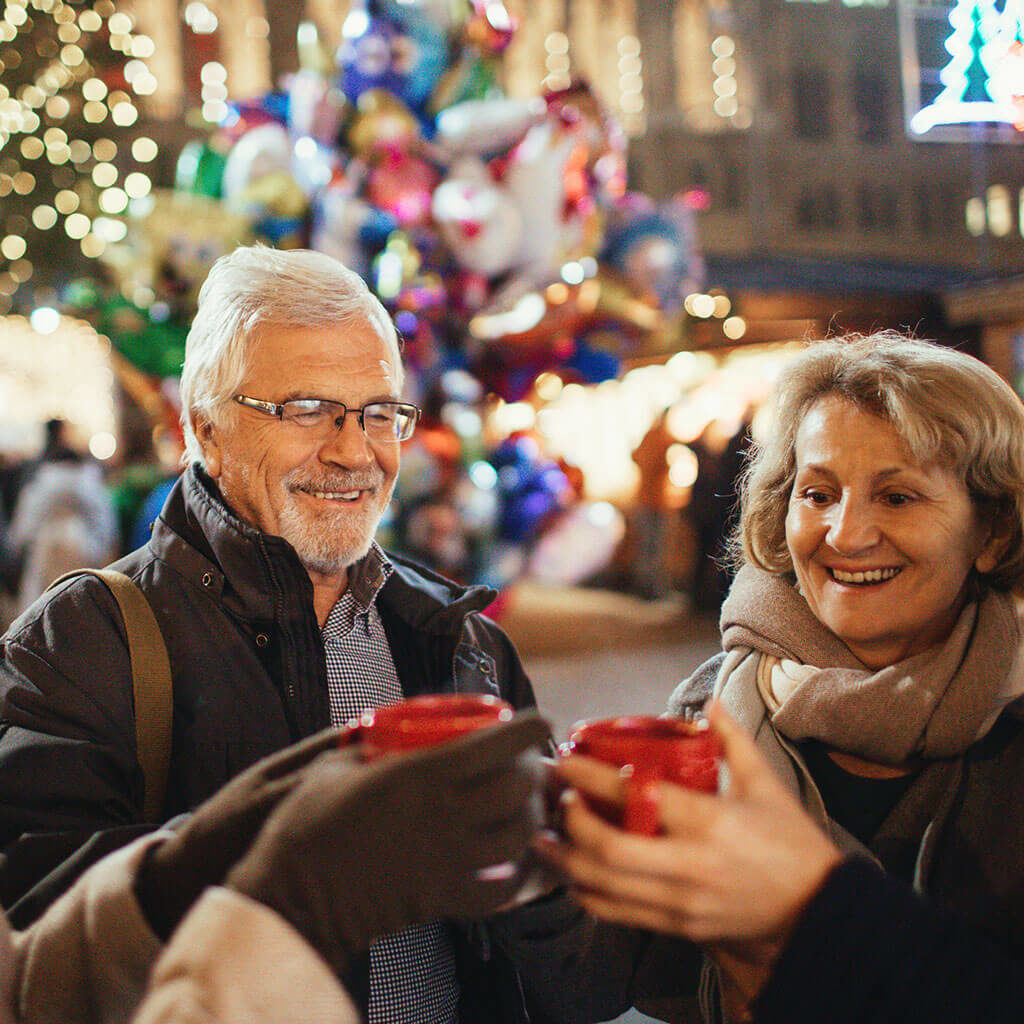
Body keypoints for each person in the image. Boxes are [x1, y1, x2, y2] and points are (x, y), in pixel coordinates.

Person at [0, 246, 636, 1024]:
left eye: (378, 412)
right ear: (205, 426)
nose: (353, 450)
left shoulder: (463, 640)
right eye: (305, 409)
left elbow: (585, 988)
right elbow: (38, 954)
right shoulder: (80, 642)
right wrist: (299, 857)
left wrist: (549, 872)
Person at [545, 331, 1024, 1021]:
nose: (845, 534)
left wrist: (809, 914)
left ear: (994, 534)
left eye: (898, 498)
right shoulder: (708, 707)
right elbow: (603, 982)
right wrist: (545, 873)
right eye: (818, 493)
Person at [3, 712, 549, 1024]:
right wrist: (284, 916)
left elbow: (20, 997)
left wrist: (167, 888)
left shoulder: (461, 632)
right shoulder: (80, 630)